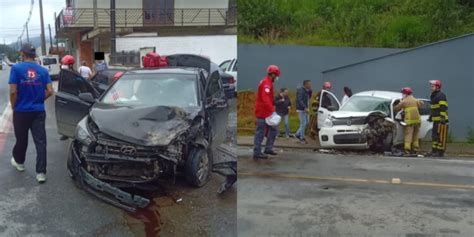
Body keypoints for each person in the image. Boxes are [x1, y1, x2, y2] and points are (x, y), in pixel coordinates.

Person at [8, 43, 54, 183]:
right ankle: (41, 173)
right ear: (34, 55)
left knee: (21, 139)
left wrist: (14, 106)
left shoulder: (16, 68)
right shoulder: (43, 70)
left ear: (22, 54)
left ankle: (20, 163)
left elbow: (13, 91)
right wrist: (39, 99)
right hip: (38, 111)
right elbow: (50, 91)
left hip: (21, 111)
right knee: (40, 142)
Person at [253, 65, 280, 160]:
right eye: (276, 76)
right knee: (260, 132)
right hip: (263, 112)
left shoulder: (267, 82)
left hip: (267, 112)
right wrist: (272, 110)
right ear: (272, 74)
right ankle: (257, 152)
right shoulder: (266, 84)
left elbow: (269, 98)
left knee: (274, 129)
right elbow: (265, 99)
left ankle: (268, 148)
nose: (276, 78)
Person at [394, 87, 423, 155]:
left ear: (406, 94)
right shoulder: (415, 100)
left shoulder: (404, 101)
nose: (402, 95)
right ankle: (416, 149)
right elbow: (421, 104)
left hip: (409, 121)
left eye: (403, 94)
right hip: (417, 120)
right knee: (415, 135)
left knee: (408, 135)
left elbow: (396, 108)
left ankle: (407, 150)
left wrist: (396, 105)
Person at [427, 80, 448, 157]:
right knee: (434, 136)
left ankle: (440, 151)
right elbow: (433, 108)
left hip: (441, 120)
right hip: (436, 119)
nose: (431, 88)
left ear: (437, 87)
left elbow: (443, 107)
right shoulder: (434, 95)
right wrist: (430, 116)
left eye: (432, 86)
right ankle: (434, 150)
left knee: (440, 136)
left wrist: (442, 118)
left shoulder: (441, 95)